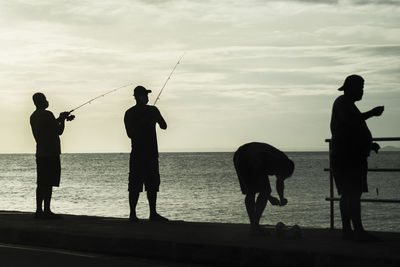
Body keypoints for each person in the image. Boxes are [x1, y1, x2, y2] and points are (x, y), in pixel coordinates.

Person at [330, 74, 384, 241]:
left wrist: (369, 144)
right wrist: (372, 113)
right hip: (347, 158)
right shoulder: (342, 103)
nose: (362, 91)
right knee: (352, 194)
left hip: (349, 155)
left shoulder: (347, 104)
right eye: (360, 88)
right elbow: (350, 122)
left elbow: (351, 132)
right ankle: (356, 231)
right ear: (350, 88)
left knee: (348, 194)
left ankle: (349, 231)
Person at [124, 85, 168, 222]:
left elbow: (164, 125)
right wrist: (143, 124)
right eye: (144, 95)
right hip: (138, 154)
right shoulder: (130, 113)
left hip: (151, 154)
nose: (147, 97)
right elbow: (130, 134)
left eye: (147, 95)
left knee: (152, 185)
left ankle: (152, 213)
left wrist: (155, 118)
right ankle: (132, 214)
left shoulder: (152, 110)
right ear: (137, 97)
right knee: (135, 186)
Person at [233, 142, 295, 234]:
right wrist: (269, 197)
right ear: (280, 168)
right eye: (282, 175)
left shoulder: (284, 162)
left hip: (253, 155)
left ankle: (255, 226)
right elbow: (258, 175)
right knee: (252, 191)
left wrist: (281, 197)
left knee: (264, 191)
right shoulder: (269, 161)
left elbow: (279, 180)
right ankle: (254, 227)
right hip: (245, 157)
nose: (281, 177)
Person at [30, 92, 74, 219]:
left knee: (41, 182)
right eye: (44, 99)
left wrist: (61, 118)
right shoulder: (47, 114)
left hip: (40, 152)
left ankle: (39, 210)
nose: (46, 101)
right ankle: (47, 210)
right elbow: (58, 130)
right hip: (51, 152)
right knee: (48, 183)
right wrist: (63, 120)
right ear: (40, 101)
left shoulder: (34, 116)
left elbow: (48, 126)